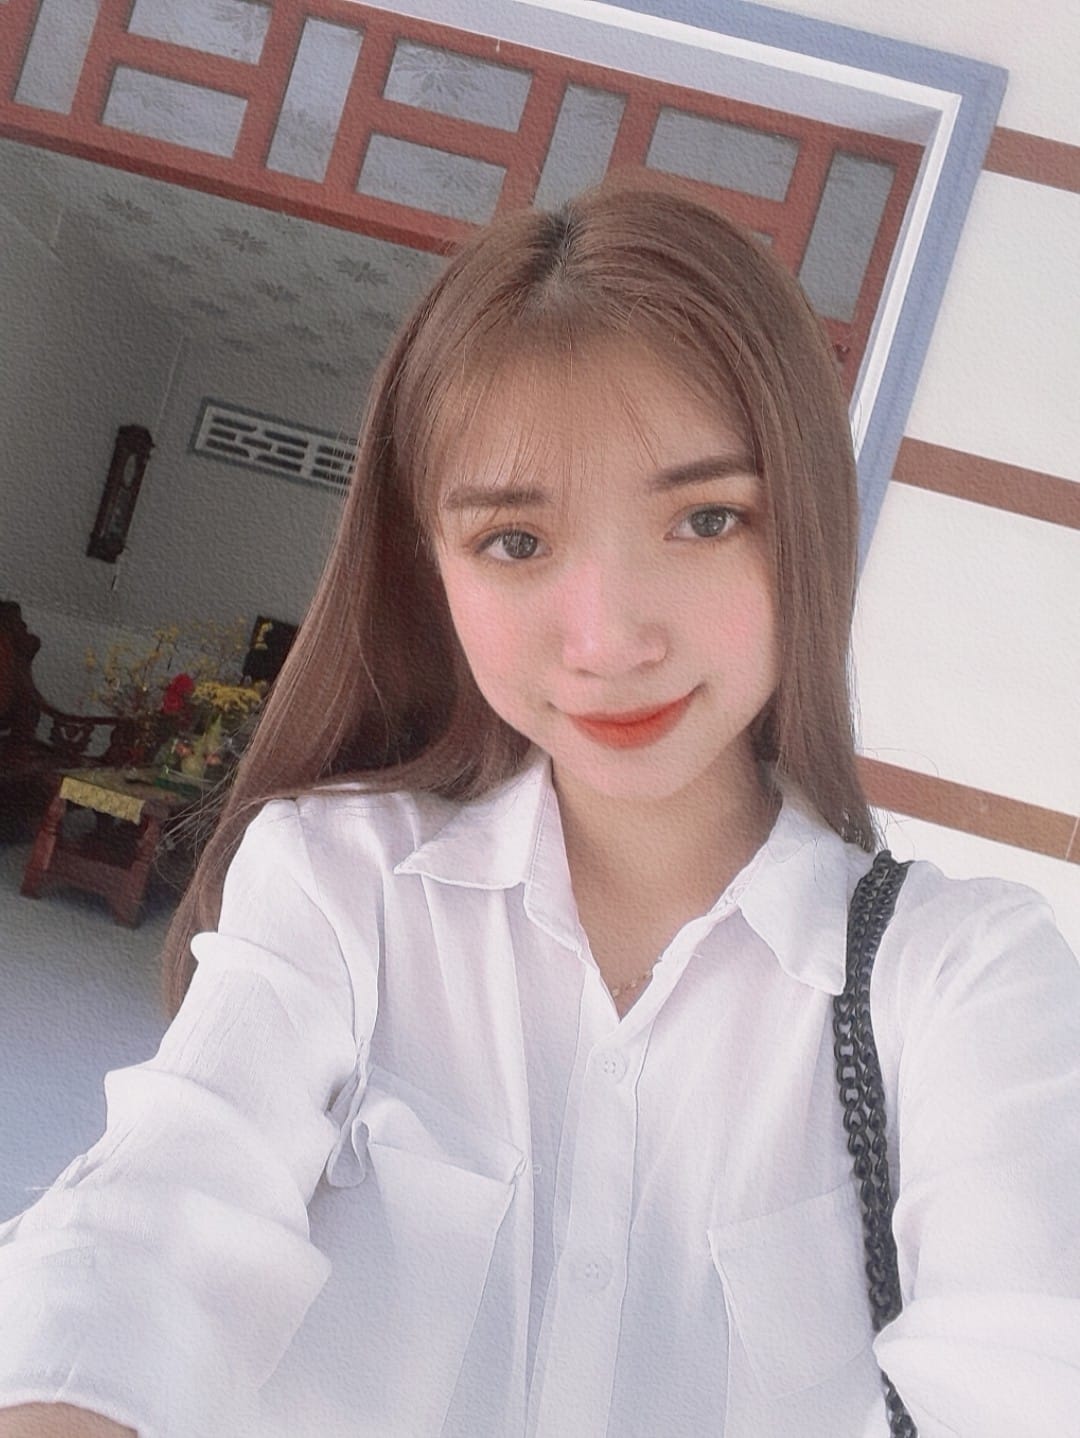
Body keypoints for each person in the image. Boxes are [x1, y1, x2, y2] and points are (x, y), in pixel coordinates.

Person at [1, 177, 1077, 1438]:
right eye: (515, 541)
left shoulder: (957, 979)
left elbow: (1032, 1348)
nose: (608, 639)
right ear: (433, 571)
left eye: (707, 518)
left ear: (810, 528)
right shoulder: (341, 883)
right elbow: (156, 1215)